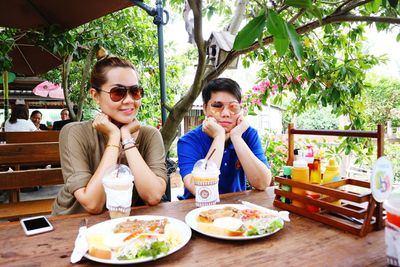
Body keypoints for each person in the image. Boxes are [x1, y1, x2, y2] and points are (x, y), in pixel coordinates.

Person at [52, 51, 167, 215]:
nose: (129, 100)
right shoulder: (74, 133)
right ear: (95, 95)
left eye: (135, 91)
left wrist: (126, 137)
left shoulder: (150, 135)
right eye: (118, 93)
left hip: (124, 225)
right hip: (74, 223)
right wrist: (114, 137)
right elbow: (93, 203)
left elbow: (153, 195)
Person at [177, 78, 272, 199]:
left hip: (237, 208)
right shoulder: (189, 141)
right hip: (196, 209)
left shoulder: (248, 134)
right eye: (217, 106)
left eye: (233, 107)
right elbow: (202, 189)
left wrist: (236, 137)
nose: (226, 113)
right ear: (205, 108)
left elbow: (262, 183)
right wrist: (219, 136)